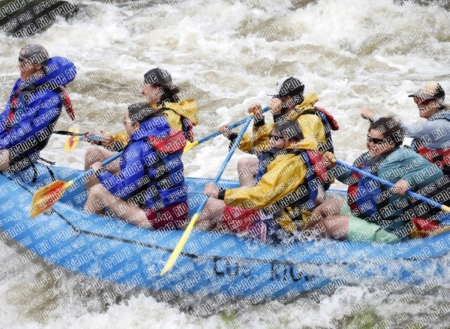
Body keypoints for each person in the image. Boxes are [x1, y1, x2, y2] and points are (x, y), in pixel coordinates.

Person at [0, 44, 77, 204]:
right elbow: (6, 116)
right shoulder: (23, 84)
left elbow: (28, 134)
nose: (19, 65)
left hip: (21, 152)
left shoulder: (50, 98)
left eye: (24, 62)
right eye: (19, 60)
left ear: (38, 66)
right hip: (6, 141)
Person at [307, 117, 443, 243]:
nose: (370, 144)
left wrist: (408, 181)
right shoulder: (368, 157)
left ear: (392, 142)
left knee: (327, 224)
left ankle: (306, 254)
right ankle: (301, 238)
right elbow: (352, 179)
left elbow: (436, 173)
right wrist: (333, 166)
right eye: (369, 138)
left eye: (377, 141)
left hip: (388, 229)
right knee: (325, 207)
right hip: (365, 214)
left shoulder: (404, 155)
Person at [196, 120, 330, 243]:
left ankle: (191, 249)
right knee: (221, 215)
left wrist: (221, 194)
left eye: (276, 138)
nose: (271, 141)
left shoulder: (289, 165)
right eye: (271, 137)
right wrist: (232, 135)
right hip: (287, 222)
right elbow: (257, 145)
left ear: (292, 141)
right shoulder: (301, 152)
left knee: (210, 205)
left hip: (276, 229)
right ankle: (206, 241)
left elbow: (263, 195)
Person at [83, 68, 198, 190]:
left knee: (93, 155)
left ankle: (96, 200)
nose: (142, 91)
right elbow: (135, 140)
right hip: (148, 166)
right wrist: (104, 140)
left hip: (149, 173)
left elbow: (140, 149)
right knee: (94, 154)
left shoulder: (167, 117)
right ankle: (99, 198)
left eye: (145, 86)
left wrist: (113, 144)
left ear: (157, 89)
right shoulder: (163, 110)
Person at [84, 102, 189, 230]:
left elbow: (124, 191)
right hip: (180, 210)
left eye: (125, 121)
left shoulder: (139, 146)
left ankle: (87, 230)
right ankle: (97, 207)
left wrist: (100, 171)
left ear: (137, 125)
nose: (123, 124)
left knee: (97, 190)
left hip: (158, 217)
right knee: (94, 154)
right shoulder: (167, 132)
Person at [220, 77, 338, 187]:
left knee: (259, 162)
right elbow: (262, 145)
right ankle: (251, 204)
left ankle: (257, 202)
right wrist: (236, 134)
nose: (272, 100)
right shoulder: (289, 115)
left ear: (287, 99)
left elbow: (292, 151)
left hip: (310, 179)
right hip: (290, 169)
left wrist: (277, 115)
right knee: (245, 163)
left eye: (276, 96)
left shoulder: (309, 119)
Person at [362, 83, 450, 175]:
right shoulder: (440, 120)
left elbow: (401, 129)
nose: (419, 104)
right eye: (417, 99)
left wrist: (372, 115)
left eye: (424, 101)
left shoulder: (439, 126)